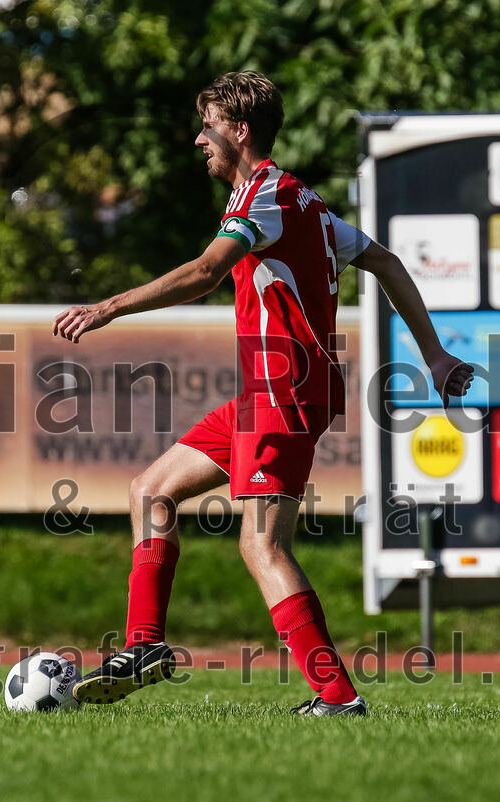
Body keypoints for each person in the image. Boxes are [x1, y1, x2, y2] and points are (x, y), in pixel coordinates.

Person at [53, 71, 473, 715]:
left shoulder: (268, 199)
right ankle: (145, 646)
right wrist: (436, 354)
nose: (199, 140)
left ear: (239, 130)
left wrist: (109, 306)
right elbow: (385, 262)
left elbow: (204, 271)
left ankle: (336, 696)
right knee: (151, 490)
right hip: (269, 394)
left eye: (209, 127)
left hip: (284, 393)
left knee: (262, 545)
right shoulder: (300, 202)